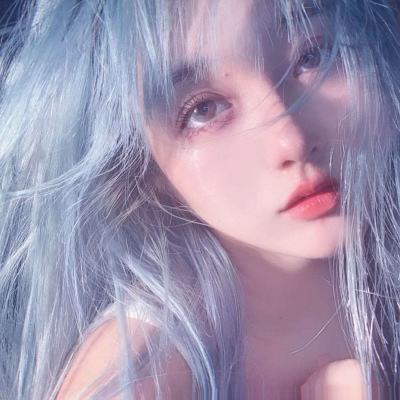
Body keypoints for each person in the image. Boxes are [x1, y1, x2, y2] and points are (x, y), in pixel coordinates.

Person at [0, 0, 399, 399]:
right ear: (143, 169)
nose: (292, 139)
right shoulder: (143, 373)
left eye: (312, 56)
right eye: (204, 110)